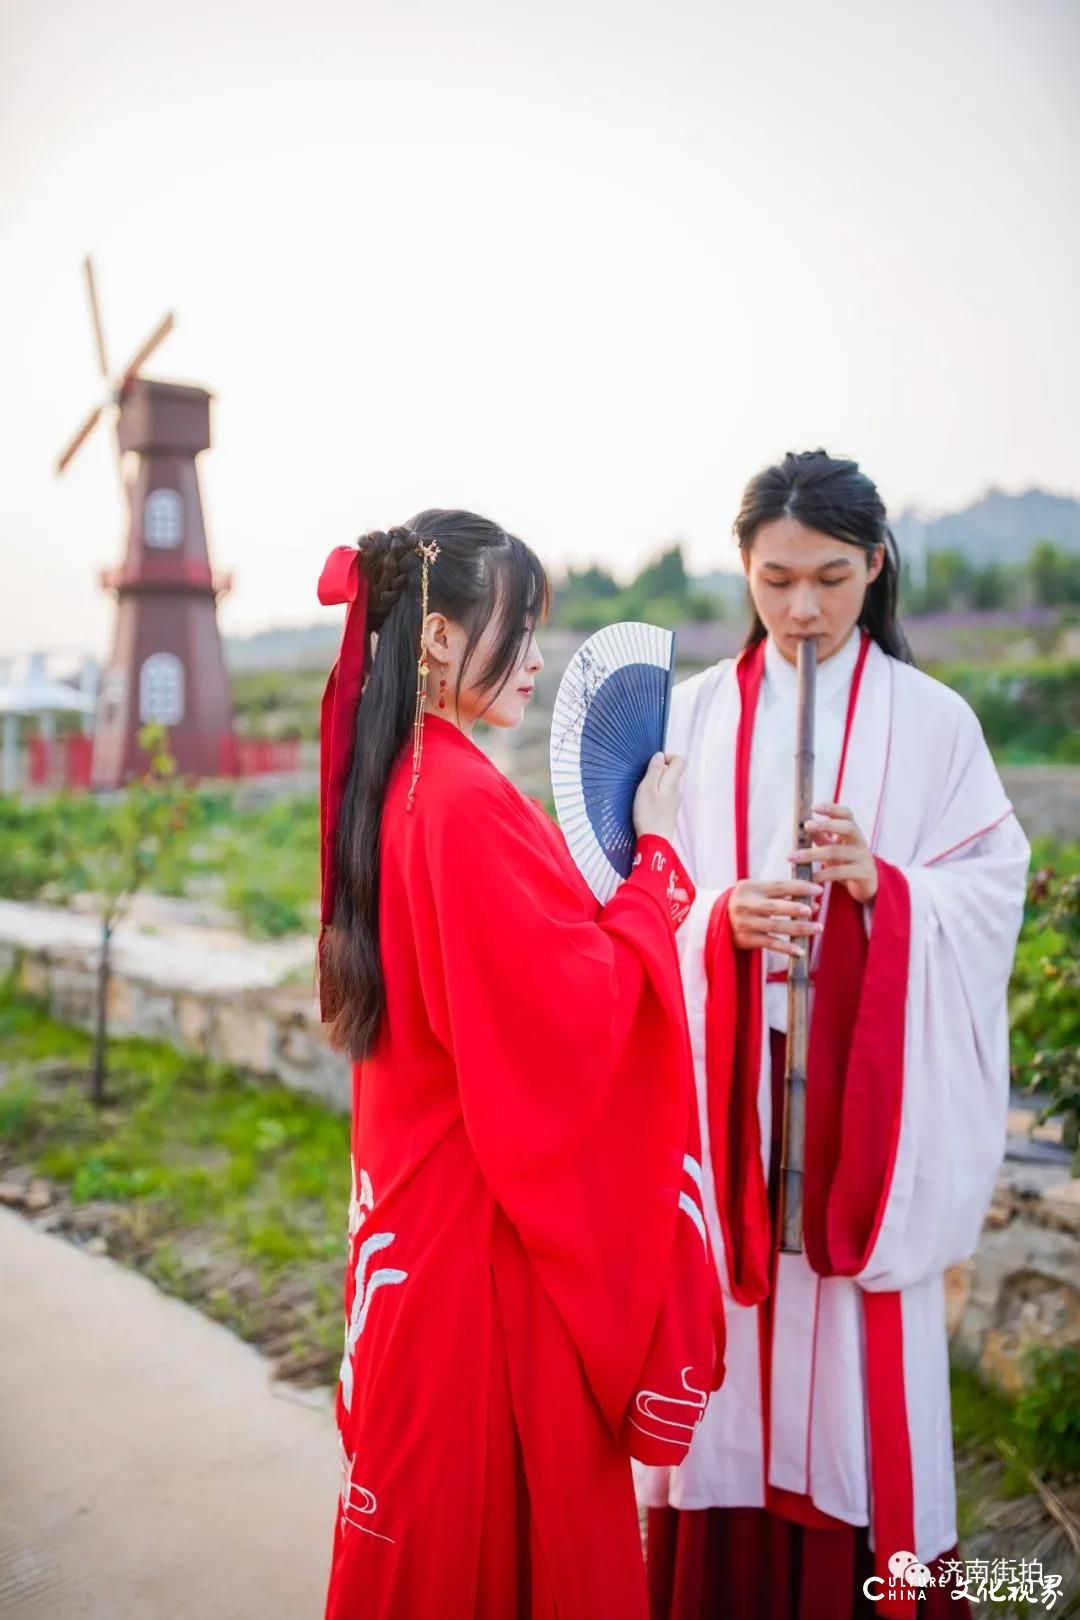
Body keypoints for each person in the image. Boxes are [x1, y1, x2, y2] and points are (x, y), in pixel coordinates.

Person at [638, 452, 1029, 1620]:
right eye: (775, 581)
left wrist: (886, 892)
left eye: (832, 579)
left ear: (876, 568)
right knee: (725, 1383)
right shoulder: (691, 716)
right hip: (730, 1099)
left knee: (865, 1403)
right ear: (743, 571)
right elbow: (630, 897)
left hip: (867, 1112)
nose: (803, 609)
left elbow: (988, 889)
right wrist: (718, 918)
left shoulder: (935, 721)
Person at [317, 510, 724, 1620]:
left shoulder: (392, 779)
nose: (539, 657)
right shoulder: (454, 802)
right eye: (520, 626)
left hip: (412, 1224)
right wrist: (659, 870)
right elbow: (570, 1024)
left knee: (424, 1540)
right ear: (440, 639)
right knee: (493, 1550)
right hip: (482, 1254)